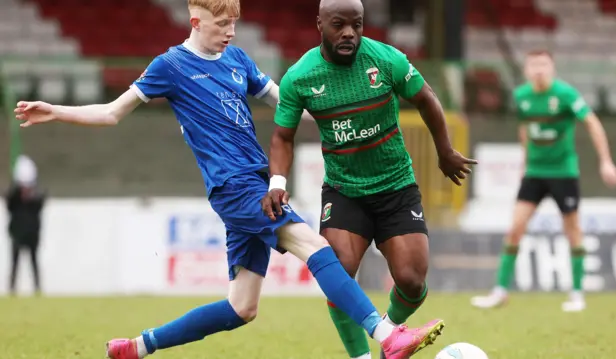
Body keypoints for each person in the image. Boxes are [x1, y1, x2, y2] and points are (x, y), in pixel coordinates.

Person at [13, 1, 442, 358]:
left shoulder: (237, 59)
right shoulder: (171, 66)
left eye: (234, 22)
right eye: (222, 24)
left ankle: (138, 348)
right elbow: (112, 112)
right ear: (196, 21)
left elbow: (288, 101)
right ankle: (387, 337)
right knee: (315, 246)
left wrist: (349, 111)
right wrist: (58, 112)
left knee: (242, 307)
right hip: (236, 188)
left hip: (252, 179)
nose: (231, 32)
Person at [260, 0, 476, 358]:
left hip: (396, 186)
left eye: (356, 25)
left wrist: (445, 151)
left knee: (412, 281)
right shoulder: (301, 76)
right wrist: (277, 184)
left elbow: (426, 98)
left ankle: (389, 336)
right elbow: (283, 137)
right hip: (345, 191)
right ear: (320, 24)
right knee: (339, 276)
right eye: (339, 25)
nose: (349, 33)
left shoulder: (386, 59)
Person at [470, 50, 616, 312]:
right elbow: (525, 128)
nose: (539, 69)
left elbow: (592, 123)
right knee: (515, 228)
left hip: (563, 172)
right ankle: (500, 291)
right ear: (527, 70)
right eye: (534, 65)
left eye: (544, 64)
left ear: (552, 69)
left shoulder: (566, 95)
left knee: (572, 230)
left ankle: (576, 293)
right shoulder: (521, 96)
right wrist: (525, 162)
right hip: (535, 173)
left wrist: (605, 160)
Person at [5, 155, 46, 296]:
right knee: (15, 263)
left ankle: (37, 287)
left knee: (33, 262)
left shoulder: (36, 197)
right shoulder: (15, 197)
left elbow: (40, 204)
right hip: (17, 233)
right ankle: (12, 288)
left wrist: (30, 197)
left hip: (32, 234)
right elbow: (9, 204)